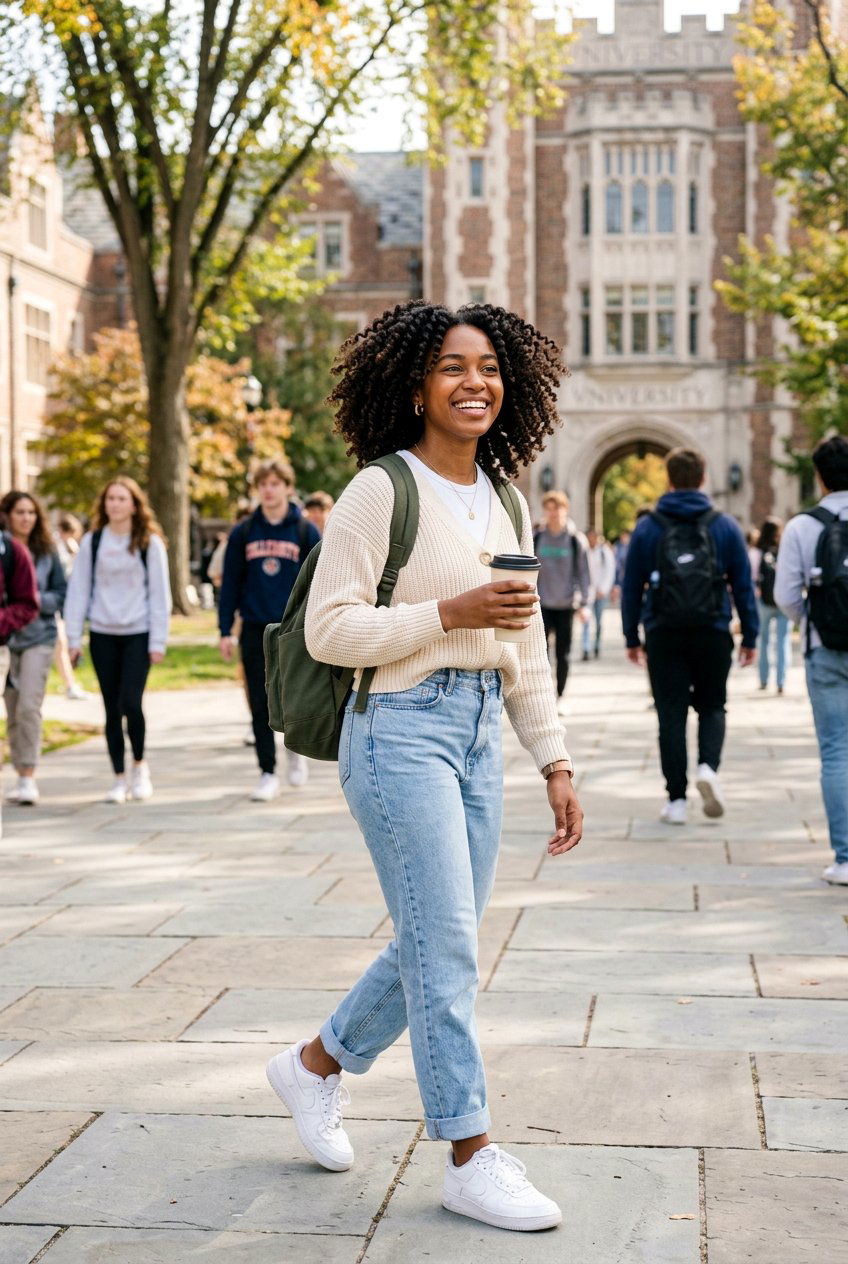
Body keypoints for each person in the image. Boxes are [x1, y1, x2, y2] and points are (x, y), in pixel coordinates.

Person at [264, 300, 583, 1234]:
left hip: (481, 732)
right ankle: (471, 1154)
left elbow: (523, 644)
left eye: (487, 366)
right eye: (451, 366)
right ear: (415, 386)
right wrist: (449, 612)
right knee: (446, 946)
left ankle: (313, 1066)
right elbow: (329, 630)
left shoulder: (510, 499)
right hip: (397, 728)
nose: (473, 380)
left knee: (432, 941)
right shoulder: (379, 491)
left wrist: (553, 758)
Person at [622, 447, 758, 824]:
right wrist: (750, 635)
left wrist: (631, 636)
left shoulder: (649, 527)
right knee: (713, 706)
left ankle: (677, 800)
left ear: (669, 479)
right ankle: (708, 768)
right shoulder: (724, 525)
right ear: (703, 478)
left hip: (664, 632)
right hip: (713, 630)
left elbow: (631, 585)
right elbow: (743, 586)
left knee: (670, 714)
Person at [64, 476, 171, 804]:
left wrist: (158, 640)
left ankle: (139, 766)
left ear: (134, 504)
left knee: (130, 702)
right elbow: (79, 589)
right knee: (111, 708)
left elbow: (159, 593)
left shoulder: (148, 542)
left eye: (122, 498)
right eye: (110, 498)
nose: (115, 504)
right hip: (102, 633)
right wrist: (73, 637)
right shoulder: (93, 542)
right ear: (104, 504)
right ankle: (118, 777)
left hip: (137, 632)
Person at [218, 458, 320, 800]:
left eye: (275, 483)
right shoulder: (244, 532)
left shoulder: (305, 531)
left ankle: (293, 750)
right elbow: (230, 584)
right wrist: (224, 630)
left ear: (288, 487)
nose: (269, 489)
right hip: (253, 628)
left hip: (293, 629)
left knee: (291, 698)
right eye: (263, 484)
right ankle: (266, 771)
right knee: (258, 702)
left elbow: (320, 581)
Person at [775, 435, 848, 886]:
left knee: (836, 752)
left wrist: (813, 621)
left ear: (818, 476)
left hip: (826, 649)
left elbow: (785, 595)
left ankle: (844, 858)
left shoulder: (803, 526)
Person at [1, 492, 67, 806]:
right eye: (19, 512)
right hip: (7, 639)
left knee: (29, 705)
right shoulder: (4, 551)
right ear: (7, 515)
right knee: (12, 710)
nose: (26, 518)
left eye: (31, 512)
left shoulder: (47, 551)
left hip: (38, 636)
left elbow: (61, 593)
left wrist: (35, 600)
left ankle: (28, 776)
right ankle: (18, 770)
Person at [534, 491, 590, 701]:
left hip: (566, 604)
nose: (553, 513)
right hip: (541, 604)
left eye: (557, 508)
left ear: (565, 510)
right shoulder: (537, 537)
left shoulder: (575, 540)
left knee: (563, 654)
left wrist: (584, 604)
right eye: (549, 508)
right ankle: (545, 693)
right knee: (541, 653)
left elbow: (583, 573)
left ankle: (560, 694)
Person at [750, 517, 791, 694]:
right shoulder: (786, 551)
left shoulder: (756, 552)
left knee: (764, 640)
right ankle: (781, 681)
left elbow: (751, 579)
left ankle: (763, 679)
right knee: (782, 640)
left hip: (763, 600)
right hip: (782, 600)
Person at [53, 513, 88, 700]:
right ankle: (70, 685)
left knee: (62, 644)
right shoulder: (55, 545)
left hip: (64, 601)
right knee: (61, 643)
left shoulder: (67, 546)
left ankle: (70, 684)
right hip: (56, 602)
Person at [582, 527, 616, 660]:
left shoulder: (604, 551)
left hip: (601, 592)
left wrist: (603, 589)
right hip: (588, 592)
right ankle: (586, 648)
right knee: (586, 620)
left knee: (598, 621)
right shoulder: (584, 551)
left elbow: (610, 571)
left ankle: (596, 645)